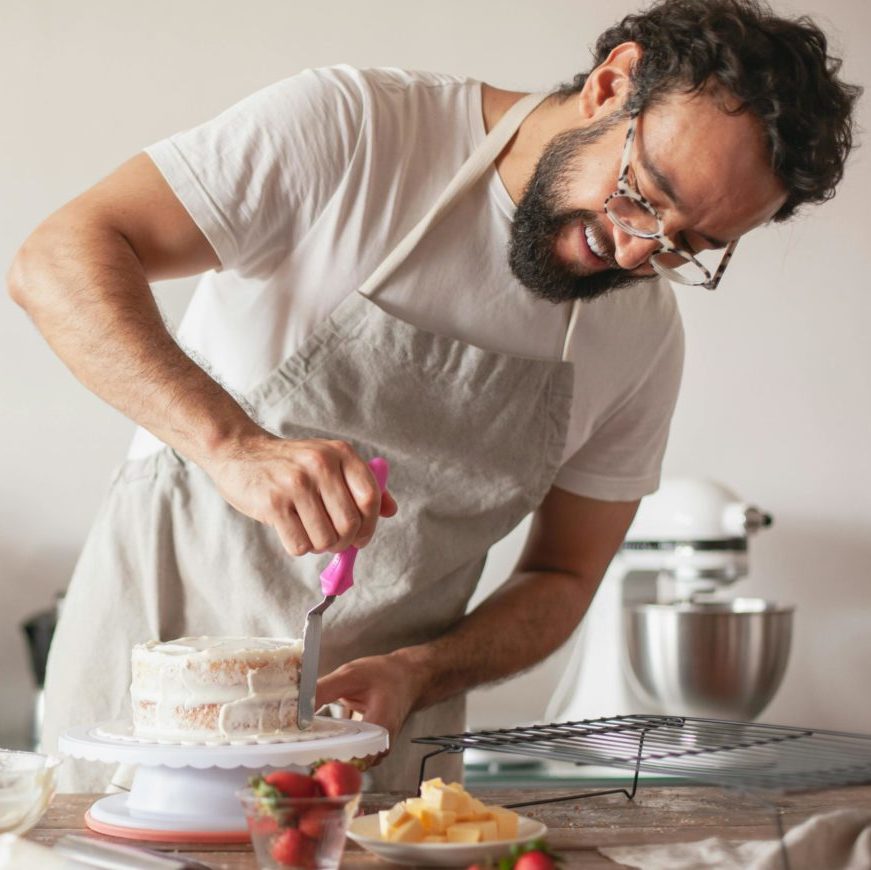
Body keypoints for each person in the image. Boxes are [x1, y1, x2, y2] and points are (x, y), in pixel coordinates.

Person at [8, 0, 860, 792]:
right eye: (646, 197)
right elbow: (59, 257)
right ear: (611, 84)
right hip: (142, 711)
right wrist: (233, 445)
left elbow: (561, 576)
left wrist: (418, 672)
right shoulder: (359, 132)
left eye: (689, 245)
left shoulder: (639, 341)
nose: (639, 252)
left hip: (373, 761)